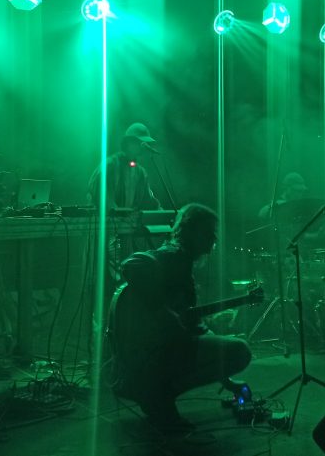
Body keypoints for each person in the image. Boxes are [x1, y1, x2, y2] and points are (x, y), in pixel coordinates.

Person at [108, 204, 252, 429]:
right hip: (151, 358)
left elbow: (190, 324)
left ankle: (154, 392)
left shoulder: (182, 262)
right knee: (240, 351)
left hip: (154, 357)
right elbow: (132, 264)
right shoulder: (173, 255)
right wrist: (162, 312)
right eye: (208, 232)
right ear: (191, 231)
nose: (214, 239)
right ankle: (157, 396)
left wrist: (228, 381)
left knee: (230, 346)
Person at [86, 122, 163, 210]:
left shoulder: (140, 172)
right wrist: (117, 213)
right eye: (139, 142)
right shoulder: (110, 165)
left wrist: (162, 212)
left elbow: (148, 200)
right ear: (128, 142)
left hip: (126, 218)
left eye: (145, 142)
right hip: (107, 218)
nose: (143, 145)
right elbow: (101, 196)